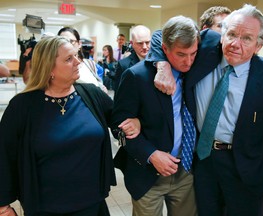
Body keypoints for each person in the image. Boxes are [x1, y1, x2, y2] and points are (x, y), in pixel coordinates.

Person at [147, 4, 263, 216]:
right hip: (204, 162)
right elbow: (161, 35)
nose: (235, 44)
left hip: (246, 167)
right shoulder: (205, 50)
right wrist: (162, 65)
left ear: (258, 46)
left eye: (246, 38)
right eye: (231, 34)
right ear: (222, 34)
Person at [0, 36, 140, 216]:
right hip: (46, 207)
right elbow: (3, 154)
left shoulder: (91, 94)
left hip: (92, 202)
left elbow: (118, 118)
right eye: (68, 59)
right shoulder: (23, 106)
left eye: (76, 55)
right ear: (49, 67)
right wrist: (3, 205)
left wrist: (134, 121)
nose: (78, 62)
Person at [111, 15, 200, 216]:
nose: (188, 61)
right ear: (165, 49)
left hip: (186, 171)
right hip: (148, 174)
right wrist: (150, 154)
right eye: (181, 54)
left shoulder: (197, 69)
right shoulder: (136, 76)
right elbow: (118, 126)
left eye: (193, 53)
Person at [57, 27, 107, 93]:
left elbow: (98, 84)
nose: (67, 44)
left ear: (79, 44)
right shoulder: (56, 67)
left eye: (71, 41)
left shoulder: (89, 64)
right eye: (62, 41)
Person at [114, 25, 151, 97]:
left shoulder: (159, 62)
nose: (144, 47)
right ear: (132, 43)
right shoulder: (123, 65)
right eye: (140, 43)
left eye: (147, 42)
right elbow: (119, 96)